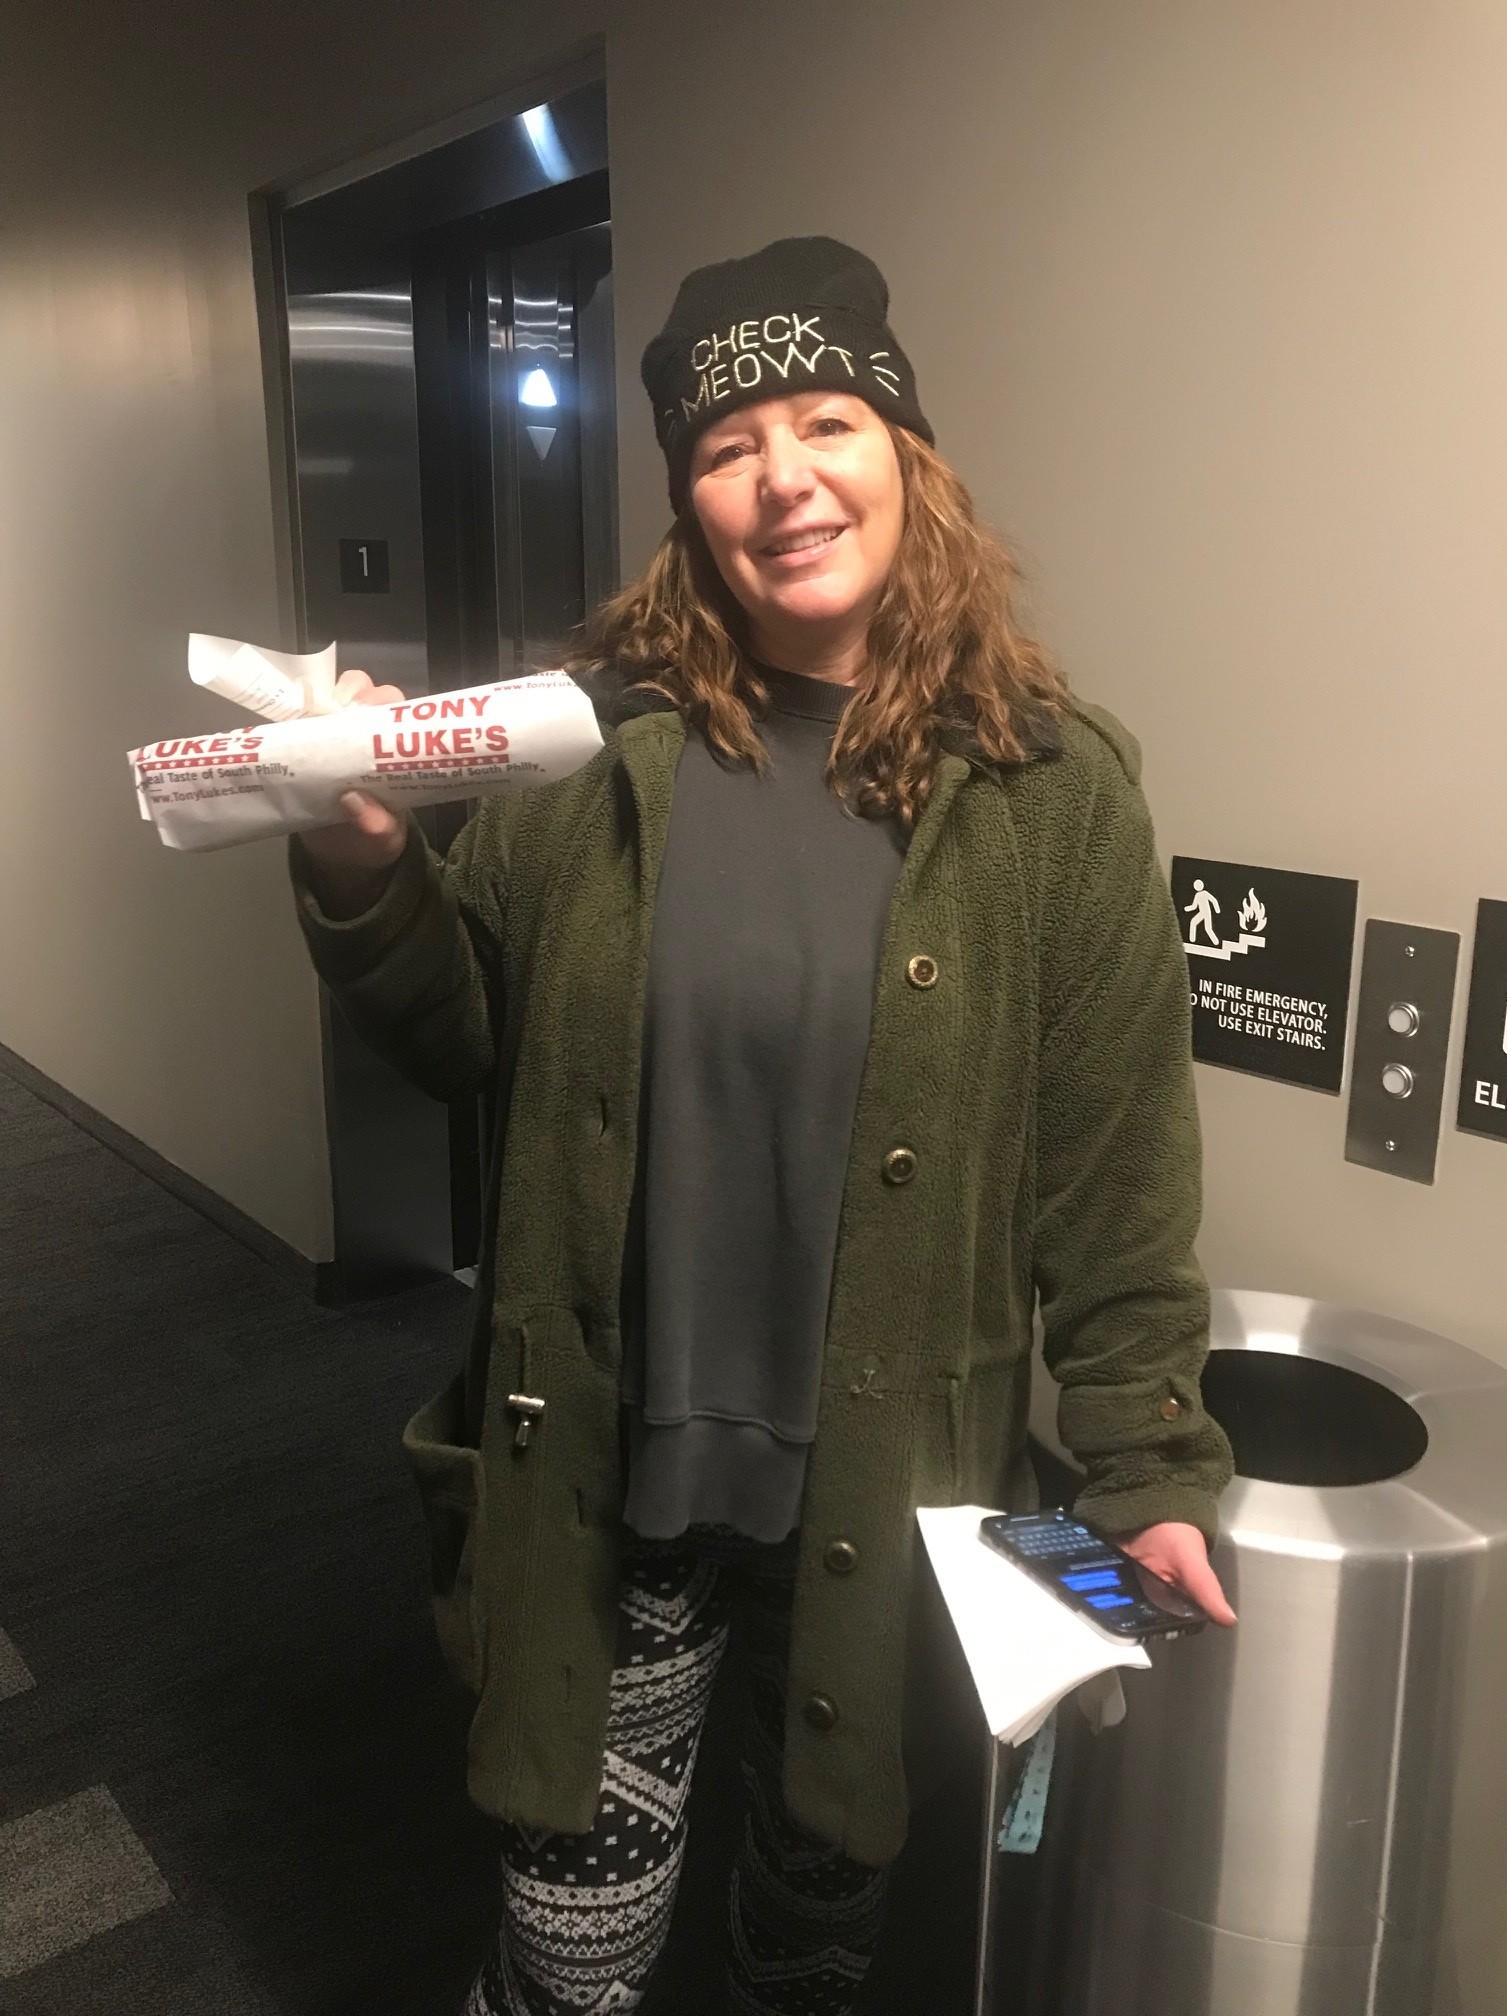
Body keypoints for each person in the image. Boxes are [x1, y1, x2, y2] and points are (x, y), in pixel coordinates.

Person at [288, 236, 1236, 2016]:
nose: (783, 477)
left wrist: (1148, 1464)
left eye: (827, 424)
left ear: (908, 458)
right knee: (570, 1966)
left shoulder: (1052, 791)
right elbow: (454, 1034)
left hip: (894, 1484)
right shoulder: (589, 755)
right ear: (689, 504)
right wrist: (364, 864)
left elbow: (1115, 1171)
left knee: (812, 1941)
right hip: (614, 1474)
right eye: (729, 447)